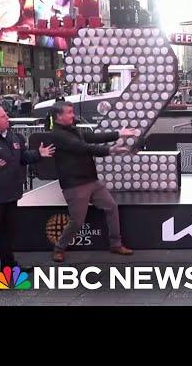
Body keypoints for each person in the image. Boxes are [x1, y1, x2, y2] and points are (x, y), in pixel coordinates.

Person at [0, 105, 55, 291]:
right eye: (3, 116)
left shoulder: (11, 135)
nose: (7, 118)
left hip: (10, 193)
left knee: (7, 232)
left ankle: (9, 265)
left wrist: (38, 155)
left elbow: (21, 157)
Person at [47, 101, 135, 263]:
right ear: (59, 116)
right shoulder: (58, 135)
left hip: (92, 180)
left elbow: (92, 137)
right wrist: (110, 150)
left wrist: (118, 134)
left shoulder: (73, 130)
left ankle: (116, 244)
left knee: (111, 206)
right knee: (77, 221)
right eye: (69, 112)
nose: (73, 115)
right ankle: (59, 248)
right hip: (75, 184)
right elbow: (82, 147)